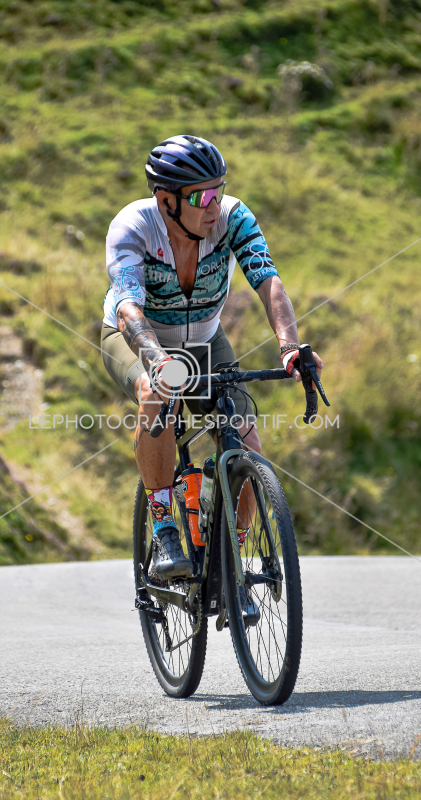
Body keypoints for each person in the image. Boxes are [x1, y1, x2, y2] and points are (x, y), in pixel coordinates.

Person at [101, 135, 322, 613]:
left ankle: (228, 557)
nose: (214, 205)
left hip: (205, 340)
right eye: (201, 197)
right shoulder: (133, 227)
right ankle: (164, 527)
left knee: (245, 439)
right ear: (166, 200)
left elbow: (268, 280)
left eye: (218, 191)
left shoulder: (232, 217)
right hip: (135, 339)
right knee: (154, 391)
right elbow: (127, 307)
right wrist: (157, 360)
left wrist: (290, 346)